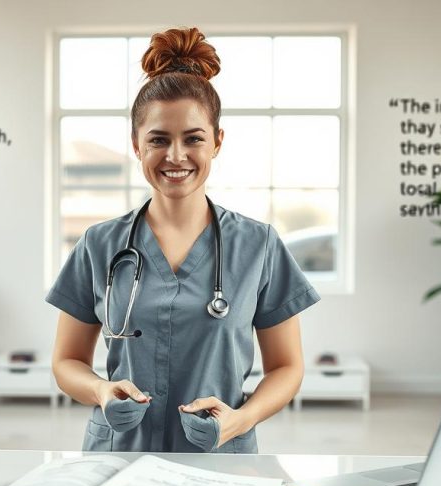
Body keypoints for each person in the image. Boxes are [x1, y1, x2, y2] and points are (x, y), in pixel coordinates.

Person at [47, 27, 320, 453]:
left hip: (219, 460)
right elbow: (66, 362)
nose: (176, 156)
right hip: (119, 457)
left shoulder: (259, 246)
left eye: (193, 138)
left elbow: (287, 367)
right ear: (137, 146)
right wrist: (100, 392)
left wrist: (239, 420)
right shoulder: (98, 245)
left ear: (217, 142)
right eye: (158, 139)